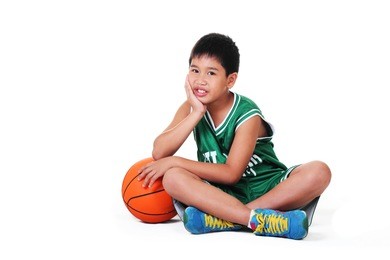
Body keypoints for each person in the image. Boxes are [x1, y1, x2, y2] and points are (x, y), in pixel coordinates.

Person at [137, 33, 331, 240]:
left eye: (211, 73)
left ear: (230, 80)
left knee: (319, 171)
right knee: (173, 177)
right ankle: (259, 220)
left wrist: (175, 161)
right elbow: (159, 151)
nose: (200, 80)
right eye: (194, 70)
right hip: (221, 194)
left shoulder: (247, 113)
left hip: (268, 188)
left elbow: (231, 173)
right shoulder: (191, 109)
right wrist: (196, 114)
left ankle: (227, 218)